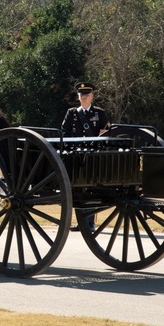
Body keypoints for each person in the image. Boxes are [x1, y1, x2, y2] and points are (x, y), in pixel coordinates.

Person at [61, 81, 109, 232]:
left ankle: (90, 223)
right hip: (76, 155)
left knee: (91, 188)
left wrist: (103, 136)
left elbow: (107, 131)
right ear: (78, 96)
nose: (84, 97)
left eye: (87, 94)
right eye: (81, 94)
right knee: (78, 188)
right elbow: (65, 131)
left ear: (92, 96)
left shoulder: (99, 113)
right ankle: (81, 222)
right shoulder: (72, 113)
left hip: (93, 155)